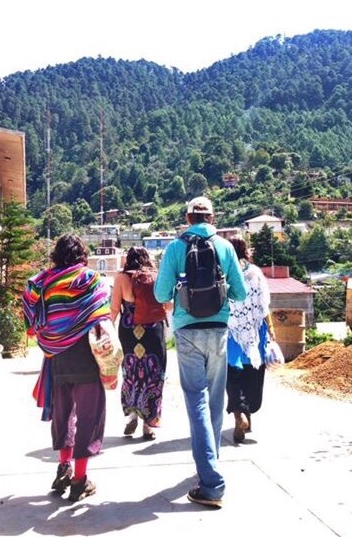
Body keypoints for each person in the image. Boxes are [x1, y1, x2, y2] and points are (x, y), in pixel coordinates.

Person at [154, 196, 247, 509]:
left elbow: (161, 293)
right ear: (212, 217)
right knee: (215, 399)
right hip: (218, 329)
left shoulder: (175, 248)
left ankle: (211, 482)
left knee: (196, 401)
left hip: (187, 331)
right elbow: (241, 293)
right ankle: (211, 464)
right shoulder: (225, 247)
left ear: (188, 218)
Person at [22, 233, 111, 503]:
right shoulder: (90, 278)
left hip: (57, 358)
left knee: (64, 416)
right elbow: (102, 315)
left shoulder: (45, 282)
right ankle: (80, 481)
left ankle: (63, 469)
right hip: (86, 357)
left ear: (57, 255)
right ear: (82, 254)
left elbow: (30, 314)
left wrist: (46, 330)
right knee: (88, 417)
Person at [110, 246, 169, 441]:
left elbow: (114, 308)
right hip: (153, 330)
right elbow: (168, 304)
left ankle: (132, 416)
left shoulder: (121, 277)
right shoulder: (156, 276)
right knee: (154, 375)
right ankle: (148, 426)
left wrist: (107, 331)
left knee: (130, 373)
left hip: (129, 330)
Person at [225, 235, 275, 443]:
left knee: (233, 373)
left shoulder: (223, 272)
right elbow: (264, 304)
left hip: (231, 332)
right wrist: (271, 328)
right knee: (254, 373)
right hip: (256, 331)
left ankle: (240, 413)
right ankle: (248, 413)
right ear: (245, 250)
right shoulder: (255, 272)